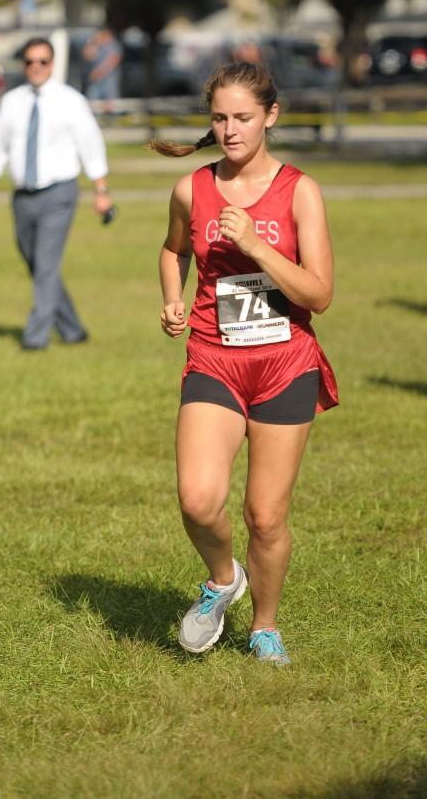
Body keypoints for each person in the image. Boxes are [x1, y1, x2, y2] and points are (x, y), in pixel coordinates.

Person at [154, 61, 338, 664]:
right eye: (219, 118)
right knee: (198, 499)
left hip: (285, 363)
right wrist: (173, 298)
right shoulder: (192, 189)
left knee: (265, 514)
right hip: (213, 357)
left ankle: (264, 626)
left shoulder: (300, 191)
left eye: (243, 118)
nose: (230, 130)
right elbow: (172, 248)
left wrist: (256, 244)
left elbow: (319, 295)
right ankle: (221, 578)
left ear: (270, 117)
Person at [0, 37, 114, 350]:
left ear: (52, 64)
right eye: (30, 62)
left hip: (60, 191)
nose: (36, 67)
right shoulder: (12, 101)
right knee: (37, 265)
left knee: (46, 264)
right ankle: (72, 329)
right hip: (22, 195)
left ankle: (35, 337)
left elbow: (90, 145)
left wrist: (101, 190)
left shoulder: (70, 100)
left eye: (42, 61)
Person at [82, 27, 123, 114]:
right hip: (96, 81)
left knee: (110, 105)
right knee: (91, 103)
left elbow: (113, 61)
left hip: (109, 82)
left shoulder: (114, 46)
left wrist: (99, 72)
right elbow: (88, 56)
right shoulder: (97, 46)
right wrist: (92, 43)